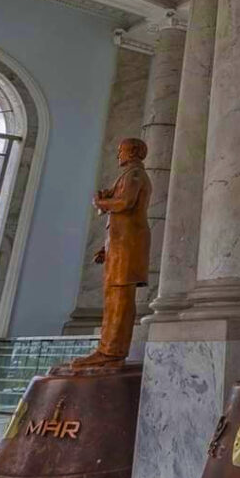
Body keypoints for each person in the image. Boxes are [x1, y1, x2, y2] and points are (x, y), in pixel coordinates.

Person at [70, 137, 151, 370]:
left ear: (133, 152)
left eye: (121, 151)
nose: (118, 155)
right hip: (120, 246)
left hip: (127, 246)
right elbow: (122, 216)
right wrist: (106, 248)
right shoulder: (128, 175)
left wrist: (101, 202)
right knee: (114, 299)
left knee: (119, 301)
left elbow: (125, 203)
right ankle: (108, 350)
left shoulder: (135, 175)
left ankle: (110, 352)